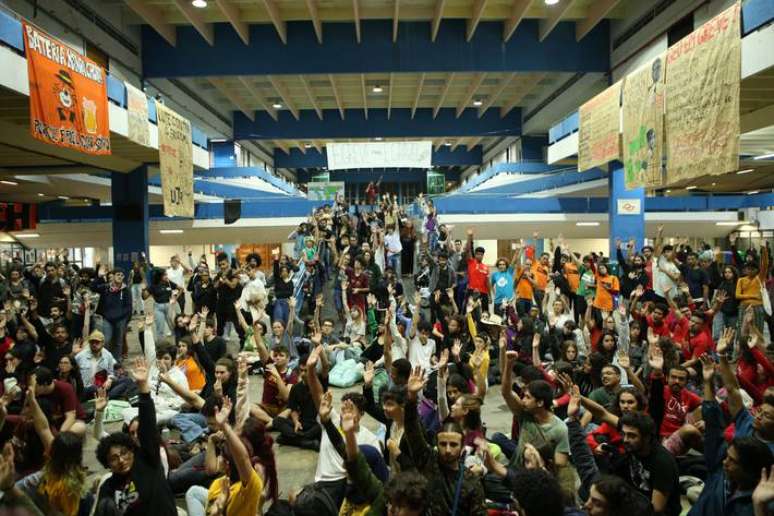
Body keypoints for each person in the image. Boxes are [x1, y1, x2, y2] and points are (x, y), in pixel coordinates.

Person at [94, 357, 177, 515]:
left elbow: (148, 428)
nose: (121, 460)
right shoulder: (108, 488)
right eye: (113, 458)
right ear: (107, 463)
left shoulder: (148, 461)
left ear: (132, 450)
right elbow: (99, 435)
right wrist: (99, 412)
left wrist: (143, 388)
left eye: (124, 453)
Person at [402, 366, 485, 515]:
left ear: (462, 447)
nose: (447, 450)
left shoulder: (471, 481)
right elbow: (412, 430)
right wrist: (412, 397)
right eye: (442, 444)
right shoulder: (428, 461)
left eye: (453, 445)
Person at [616, 412, 681, 515]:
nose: (625, 440)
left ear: (647, 438)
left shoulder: (662, 462)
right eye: (623, 434)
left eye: (632, 436)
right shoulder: (633, 448)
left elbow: (656, 509)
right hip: (635, 501)